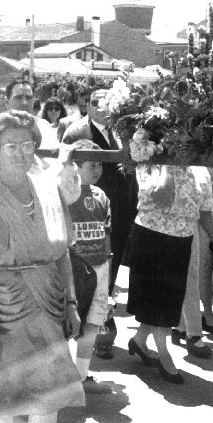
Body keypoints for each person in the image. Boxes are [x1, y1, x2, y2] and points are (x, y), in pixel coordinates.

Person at [0, 110, 85, 422]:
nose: (20, 153)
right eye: (11, 147)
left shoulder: (49, 190)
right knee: (8, 403)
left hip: (50, 307)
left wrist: (70, 303)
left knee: (48, 400)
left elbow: (62, 254)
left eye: (27, 145)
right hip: (4, 315)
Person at [126, 165, 213, 384]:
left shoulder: (201, 171)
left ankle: (139, 340)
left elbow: (205, 211)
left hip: (182, 240)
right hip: (151, 235)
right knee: (156, 300)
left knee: (168, 301)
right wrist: (169, 167)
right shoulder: (153, 162)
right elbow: (158, 195)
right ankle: (164, 356)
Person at [63, 87, 139, 359]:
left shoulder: (122, 129)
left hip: (118, 212)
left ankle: (100, 327)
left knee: (110, 271)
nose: (102, 108)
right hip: (87, 215)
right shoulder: (77, 132)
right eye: (96, 102)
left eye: (107, 103)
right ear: (87, 104)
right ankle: (94, 335)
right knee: (87, 279)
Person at [67, 139, 113, 394]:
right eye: (91, 165)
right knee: (68, 323)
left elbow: (107, 234)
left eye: (100, 165)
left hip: (99, 267)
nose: (97, 171)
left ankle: (81, 374)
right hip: (75, 269)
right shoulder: (65, 194)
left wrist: (109, 264)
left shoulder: (102, 196)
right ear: (75, 166)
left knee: (93, 323)